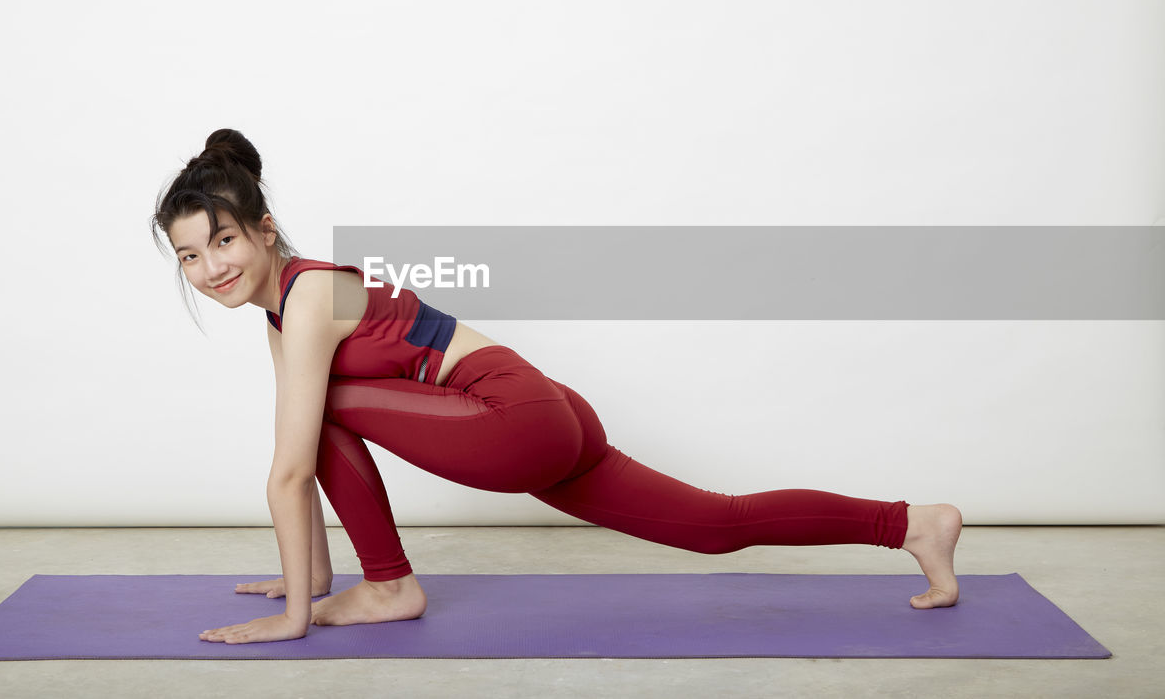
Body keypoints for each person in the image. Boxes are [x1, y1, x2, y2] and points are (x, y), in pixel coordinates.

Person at [152, 129, 963, 646]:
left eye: (223, 239)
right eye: (191, 255)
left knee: (317, 412)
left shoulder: (312, 296)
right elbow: (308, 458)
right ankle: (913, 524)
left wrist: (294, 614)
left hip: (511, 416)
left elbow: (293, 466)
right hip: (542, 411)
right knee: (715, 523)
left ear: (263, 229)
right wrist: (311, 578)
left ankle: (391, 585)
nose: (212, 266)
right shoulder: (285, 314)